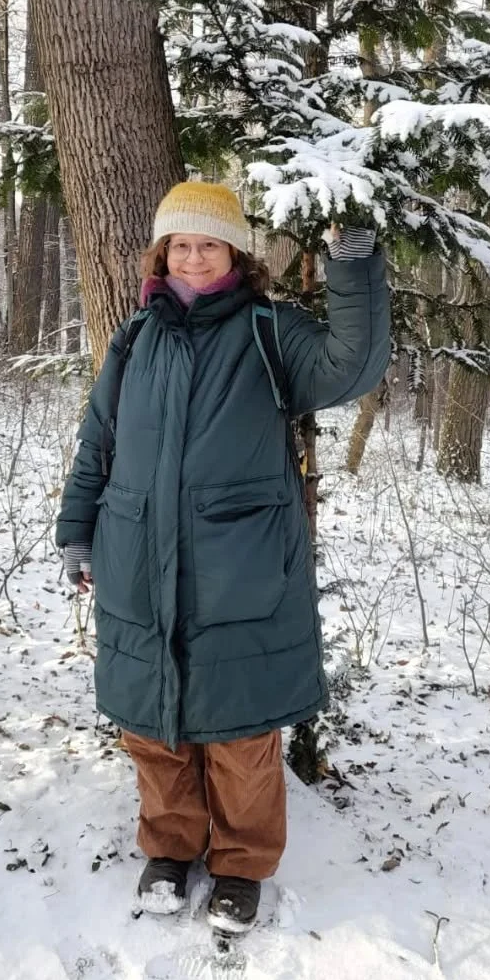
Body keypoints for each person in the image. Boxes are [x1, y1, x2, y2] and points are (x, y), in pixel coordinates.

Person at [56, 180, 390, 933]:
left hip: (238, 564)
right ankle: (170, 848)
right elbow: (98, 443)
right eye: (182, 243)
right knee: (154, 724)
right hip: (136, 556)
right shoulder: (136, 337)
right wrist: (77, 530)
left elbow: (351, 366)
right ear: (162, 252)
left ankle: (241, 864)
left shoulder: (270, 330)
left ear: (235, 253)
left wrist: (352, 262)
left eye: (209, 243)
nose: (195, 256)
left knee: (241, 732)